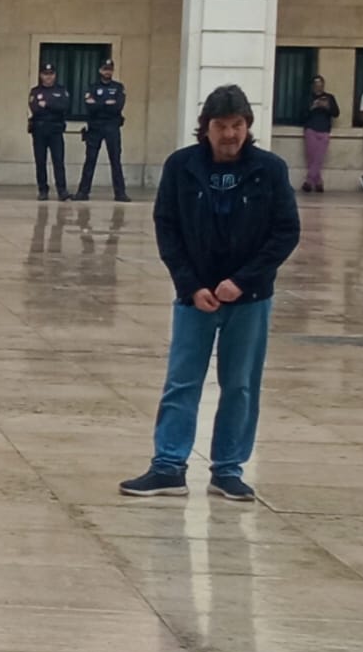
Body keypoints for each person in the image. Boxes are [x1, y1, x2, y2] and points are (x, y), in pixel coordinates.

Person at [121, 85, 301, 503]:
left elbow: (285, 232)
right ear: (206, 128)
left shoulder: (270, 169)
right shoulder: (181, 166)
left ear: (248, 127)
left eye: (237, 125)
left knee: (240, 384)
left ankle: (228, 469)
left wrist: (243, 281)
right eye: (221, 126)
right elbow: (167, 227)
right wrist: (190, 284)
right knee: (182, 382)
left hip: (249, 298)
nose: (230, 135)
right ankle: (168, 466)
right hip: (195, 296)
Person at [76, 57, 129, 202]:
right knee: (90, 160)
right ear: (100, 70)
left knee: (115, 160)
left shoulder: (118, 87)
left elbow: (118, 106)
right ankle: (83, 192)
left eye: (110, 69)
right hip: (95, 126)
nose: (108, 72)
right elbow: (89, 106)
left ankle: (120, 193)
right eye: (105, 69)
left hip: (112, 126)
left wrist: (99, 104)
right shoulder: (92, 87)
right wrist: (106, 103)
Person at [28, 62, 72, 202]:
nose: (48, 77)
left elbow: (64, 106)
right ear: (41, 75)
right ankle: (43, 190)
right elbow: (35, 108)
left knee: (58, 161)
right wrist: (53, 105)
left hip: (55, 130)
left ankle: (62, 191)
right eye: (45, 74)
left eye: (51, 74)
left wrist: (47, 104)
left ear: (55, 75)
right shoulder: (35, 91)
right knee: (40, 161)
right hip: (39, 130)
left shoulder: (61, 90)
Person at [301, 75, 339, 193]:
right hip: (311, 129)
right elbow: (302, 115)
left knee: (319, 157)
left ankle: (309, 182)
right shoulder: (308, 98)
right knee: (312, 157)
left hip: (324, 130)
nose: (318, 87)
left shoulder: (329, 97)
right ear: (313, 86)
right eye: (316, 84)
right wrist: (313, 106)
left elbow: (336, 113)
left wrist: (327, 107)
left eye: (320, 84)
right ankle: (318, 182)